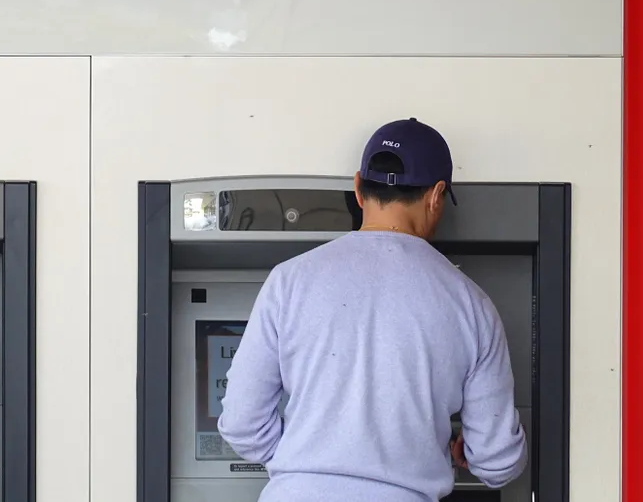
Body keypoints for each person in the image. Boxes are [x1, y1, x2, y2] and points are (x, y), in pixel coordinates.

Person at [217, 118, 527, 502]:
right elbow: (498, 463)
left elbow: (241, 424)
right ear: (436, 195)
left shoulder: (289, 281)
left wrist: (307, 468)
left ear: (359, 188)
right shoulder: (472, 305)